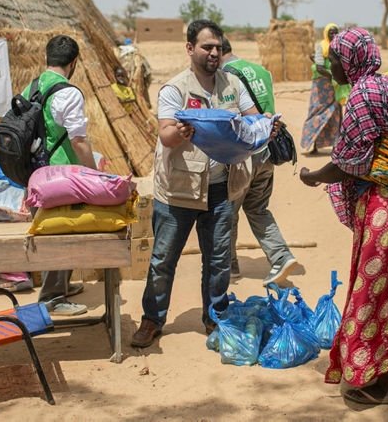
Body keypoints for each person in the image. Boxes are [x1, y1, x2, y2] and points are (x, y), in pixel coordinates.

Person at [300, 27, 388, 405]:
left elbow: (350, 164)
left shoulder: (362, 94)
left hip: (385, 210)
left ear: (350, 60)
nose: (330, 65)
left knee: (370, 295)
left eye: (335, 58)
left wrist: (314, 177)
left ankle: (376, 383)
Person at [131, 19, 258, 349]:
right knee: (163, 259)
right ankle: (152, 320)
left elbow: (253, 116)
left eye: (218, 47)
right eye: (207, 47)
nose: (214, 53)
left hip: (221, 188)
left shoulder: (233, 83)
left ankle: (214, 317)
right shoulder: (175, 89)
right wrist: (182, 131)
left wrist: (262, 125)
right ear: (190, 49)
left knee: (217, 260)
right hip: (179, 191)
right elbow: (166, 135)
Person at [220, 37, 299, 285]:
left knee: (228, 211)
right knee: (257, 207)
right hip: (267, 149)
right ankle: (280, 256)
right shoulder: (261, 71)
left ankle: (229, 266)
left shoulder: (226, 74)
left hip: (244, 154)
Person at [30, 35, 97, 316]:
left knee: (53, 230)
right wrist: (95, 174)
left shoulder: (32, 87)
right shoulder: (68, 93)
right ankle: (53, 297)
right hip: (62, 175)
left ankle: (60, 286)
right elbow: (79, 141)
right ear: (73, 63)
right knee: (62, 231)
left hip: (37, 171)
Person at [300, 23, 342, 154]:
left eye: (336, 32)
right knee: (317, 111)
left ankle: (337, 146)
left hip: (335, 86)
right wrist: (334, 75)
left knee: (336, 113)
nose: (334, 35)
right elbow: (319, 67)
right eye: (331, 32)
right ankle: (313, 145)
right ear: (326, 33)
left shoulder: (340, 47)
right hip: (322, 86)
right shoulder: (321, 47)